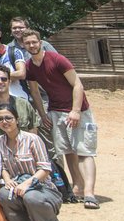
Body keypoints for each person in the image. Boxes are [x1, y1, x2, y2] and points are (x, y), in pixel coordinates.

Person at [23, 29, 99, 209]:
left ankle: (89, 193)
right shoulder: (30, 66)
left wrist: (75, 110)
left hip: (77, 110)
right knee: (68, 151)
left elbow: (77, 84)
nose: (32, 45)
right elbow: (34, 91)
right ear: (24, 46)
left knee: (84, 151)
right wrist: (43, 114)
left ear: (40, 42)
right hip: (55, 110)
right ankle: (77, 187)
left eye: (34, 42)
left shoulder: (57, 59)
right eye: (28, 43)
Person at [0, 103, 64, 221]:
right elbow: (2, 166)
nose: (4, 122)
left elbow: (45, 169)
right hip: (17, 187)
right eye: (0, 119)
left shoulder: (33, 139)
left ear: (17, 119)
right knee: (3, 194)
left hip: (42, 188)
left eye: (8, 118)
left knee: (31, 197)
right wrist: (7, 180)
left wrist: (27, 184)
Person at [0, 64, 39, 135]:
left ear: (9, 81)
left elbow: (33, 130)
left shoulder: (24, 104)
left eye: (4, 79)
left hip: (23, 143)